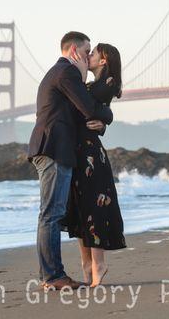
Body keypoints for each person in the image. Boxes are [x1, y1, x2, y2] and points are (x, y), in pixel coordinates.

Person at [27, 31, 114, 291]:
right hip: (54, 149)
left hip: (55, 149)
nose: (89, 57)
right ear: (74, 51)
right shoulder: (66, 73)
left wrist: (103, 124)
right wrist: (108, 115)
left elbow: (81, 115)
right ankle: (52, 277)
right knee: (51, 215)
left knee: (51, 214)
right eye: (87, 52)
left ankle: (51, 275)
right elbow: (88, 108)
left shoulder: (63, 73)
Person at [61, 43, 127, 288]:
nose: (87, 56)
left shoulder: (105, 83)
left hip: (89, 154)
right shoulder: (90, 85)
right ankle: (86, 264)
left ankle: (98, 263)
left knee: (93, 208)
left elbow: (86, 107)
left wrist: (105, 119)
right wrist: (106, 118)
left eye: (92, 53)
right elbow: (94, 111)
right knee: (79, 209)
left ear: (103, 60)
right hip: (77, 153)